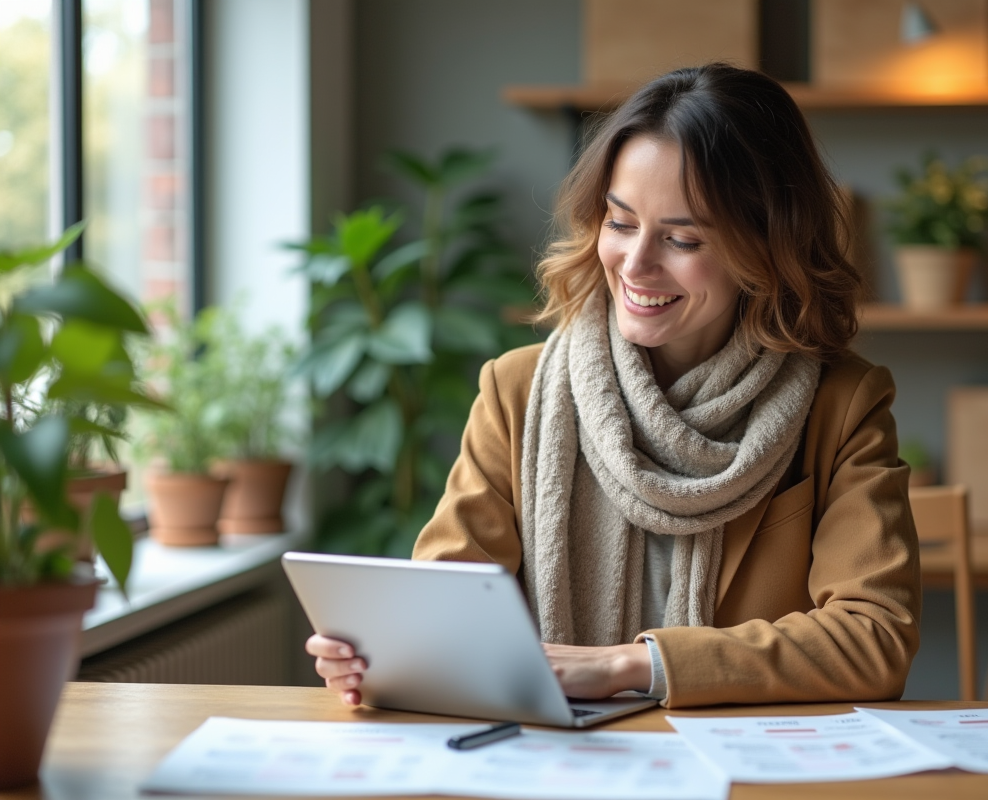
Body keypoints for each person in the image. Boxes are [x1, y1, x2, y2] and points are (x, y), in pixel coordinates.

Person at [307, 64, 921, 709]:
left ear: (767, 249)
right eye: (621, 223)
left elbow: (875, 638)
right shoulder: (516, 391)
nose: (636, 264)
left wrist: (631, 665)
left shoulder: (842, 402)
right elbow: (444, 607)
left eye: (682, 238)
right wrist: (382, 650)